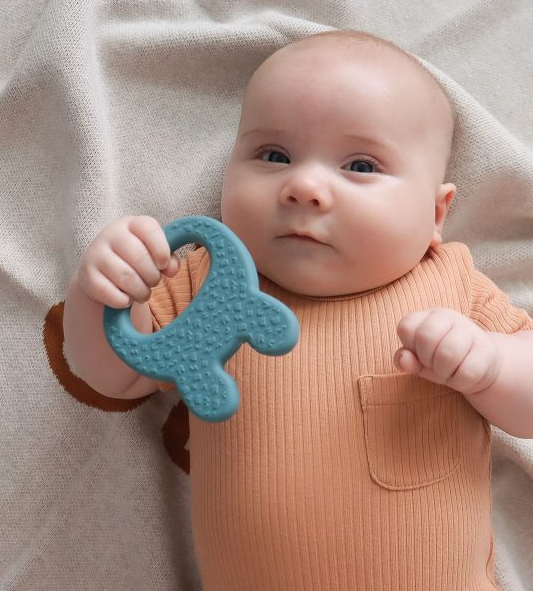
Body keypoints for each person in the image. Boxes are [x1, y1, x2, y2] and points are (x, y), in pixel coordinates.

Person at [63, 30, 533, 590]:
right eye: (274, 156)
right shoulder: (207, 283)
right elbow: (115, 375)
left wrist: (489, 365)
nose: (304, 186)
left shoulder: (450, 286)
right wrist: (106, 293)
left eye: (361, 165)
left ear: (435, 213)